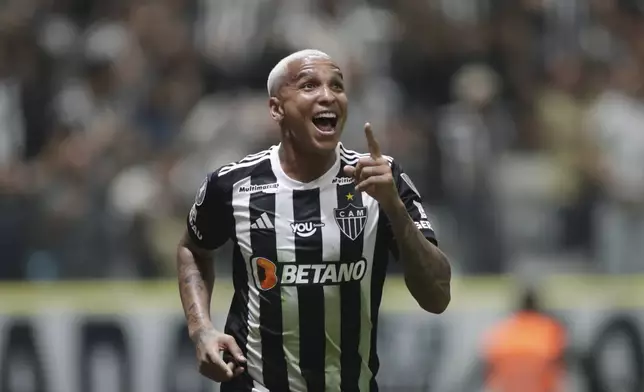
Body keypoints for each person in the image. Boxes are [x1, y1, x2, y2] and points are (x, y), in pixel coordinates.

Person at [176, 49, 451, 392]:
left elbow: (437, 297)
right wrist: (201, 330)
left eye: (337, 86)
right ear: (277, 108)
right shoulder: (233, 185)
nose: (327, 95)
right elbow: (193, 249)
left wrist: (394, 208)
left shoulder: (380, 178)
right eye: (309, 85)